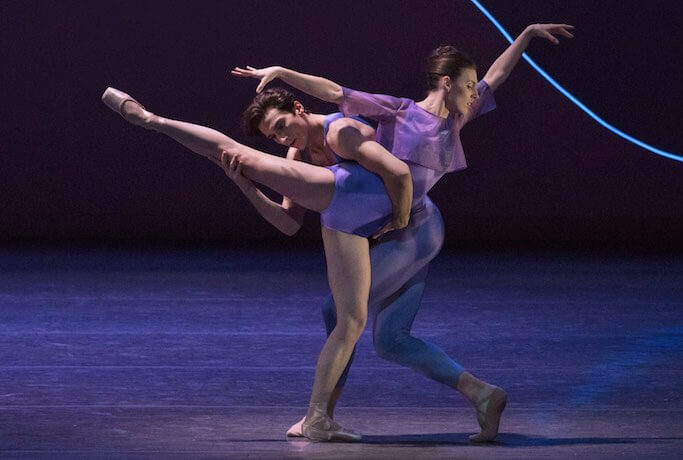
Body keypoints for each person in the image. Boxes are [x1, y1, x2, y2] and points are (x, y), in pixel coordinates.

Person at [233, 22, 574, 442]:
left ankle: (320, 414)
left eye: (473, 87)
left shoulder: (455, 118)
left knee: (338, 313)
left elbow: (496, 76)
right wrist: (285, 74)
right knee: (391, 339)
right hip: (412, 233)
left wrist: (525, 36)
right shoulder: (400, 110)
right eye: (467, 85)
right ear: (447, 83)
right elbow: (334, 92)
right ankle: (483, 394)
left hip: (414, 229)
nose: (475, 93)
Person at [101, 85, 436, 442]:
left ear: (298, 107)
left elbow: (398, 173)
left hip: (371, 202)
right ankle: (317, 417)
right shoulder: (297, 153)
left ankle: (150, 119)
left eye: (281, 125)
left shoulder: (341, 131)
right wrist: (245, 187)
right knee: (349, 321)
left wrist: (400, 220)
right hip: (343, 214)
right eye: (273, 135)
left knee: (238, 154)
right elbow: (289, 224)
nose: (280, 137)